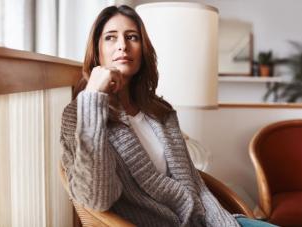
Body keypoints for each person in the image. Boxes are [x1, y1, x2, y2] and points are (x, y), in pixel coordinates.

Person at [60, 5, 277, 227]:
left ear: (142, 50)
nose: (123, 45)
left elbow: (195, 186)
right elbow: (97, 198)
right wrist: (94, 98)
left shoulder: (159, 110)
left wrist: (225, 224)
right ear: (97, 51)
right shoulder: (78, 115)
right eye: (111, 38)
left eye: (132, 37)